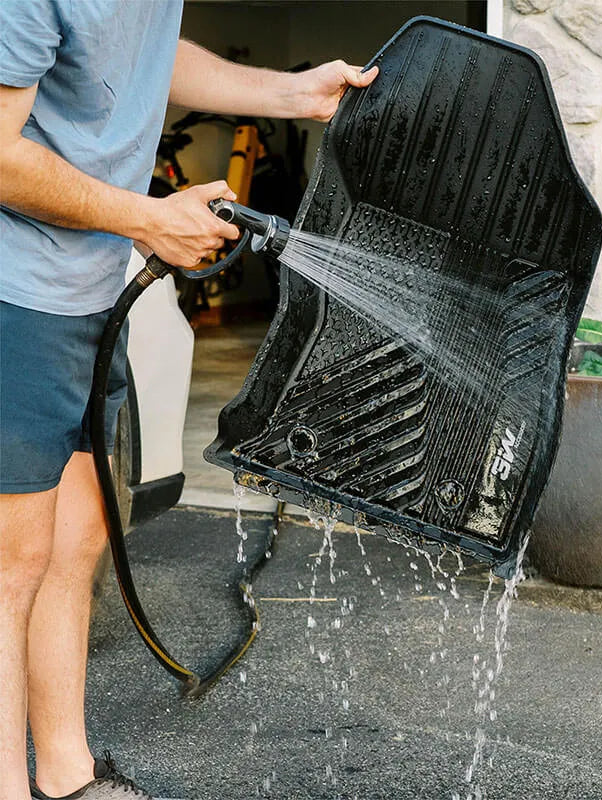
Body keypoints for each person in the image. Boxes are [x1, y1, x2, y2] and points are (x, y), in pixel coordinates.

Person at [0, 1, 378, 798]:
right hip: (14, 294)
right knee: (11, 562)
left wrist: (292, 95)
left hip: (90, 290)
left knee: (75, 539)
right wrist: (146, 217)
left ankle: (66, 776)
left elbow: (145, 54)